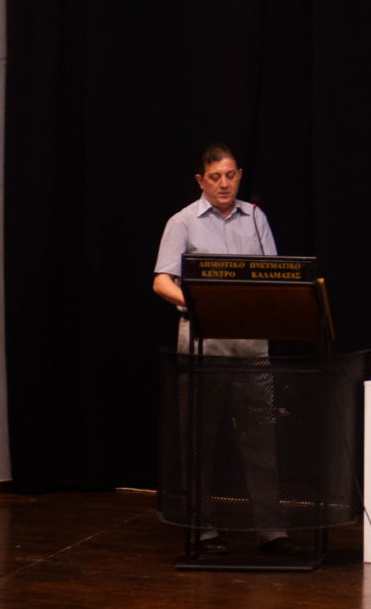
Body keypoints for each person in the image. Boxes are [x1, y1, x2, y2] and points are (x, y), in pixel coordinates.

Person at [153, 143, 300, 556]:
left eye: (230, 175)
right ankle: (202, 528)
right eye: (215, 177)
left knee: (261, 440)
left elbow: (274, 274)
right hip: (203, 347)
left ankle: (271, 531)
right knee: (199, 440)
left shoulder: (255, 217)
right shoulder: (183, 221)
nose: (224, 184)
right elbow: (161, 281)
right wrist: (198, 303)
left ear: (239, 176)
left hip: (250, 346)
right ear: (201, 180)